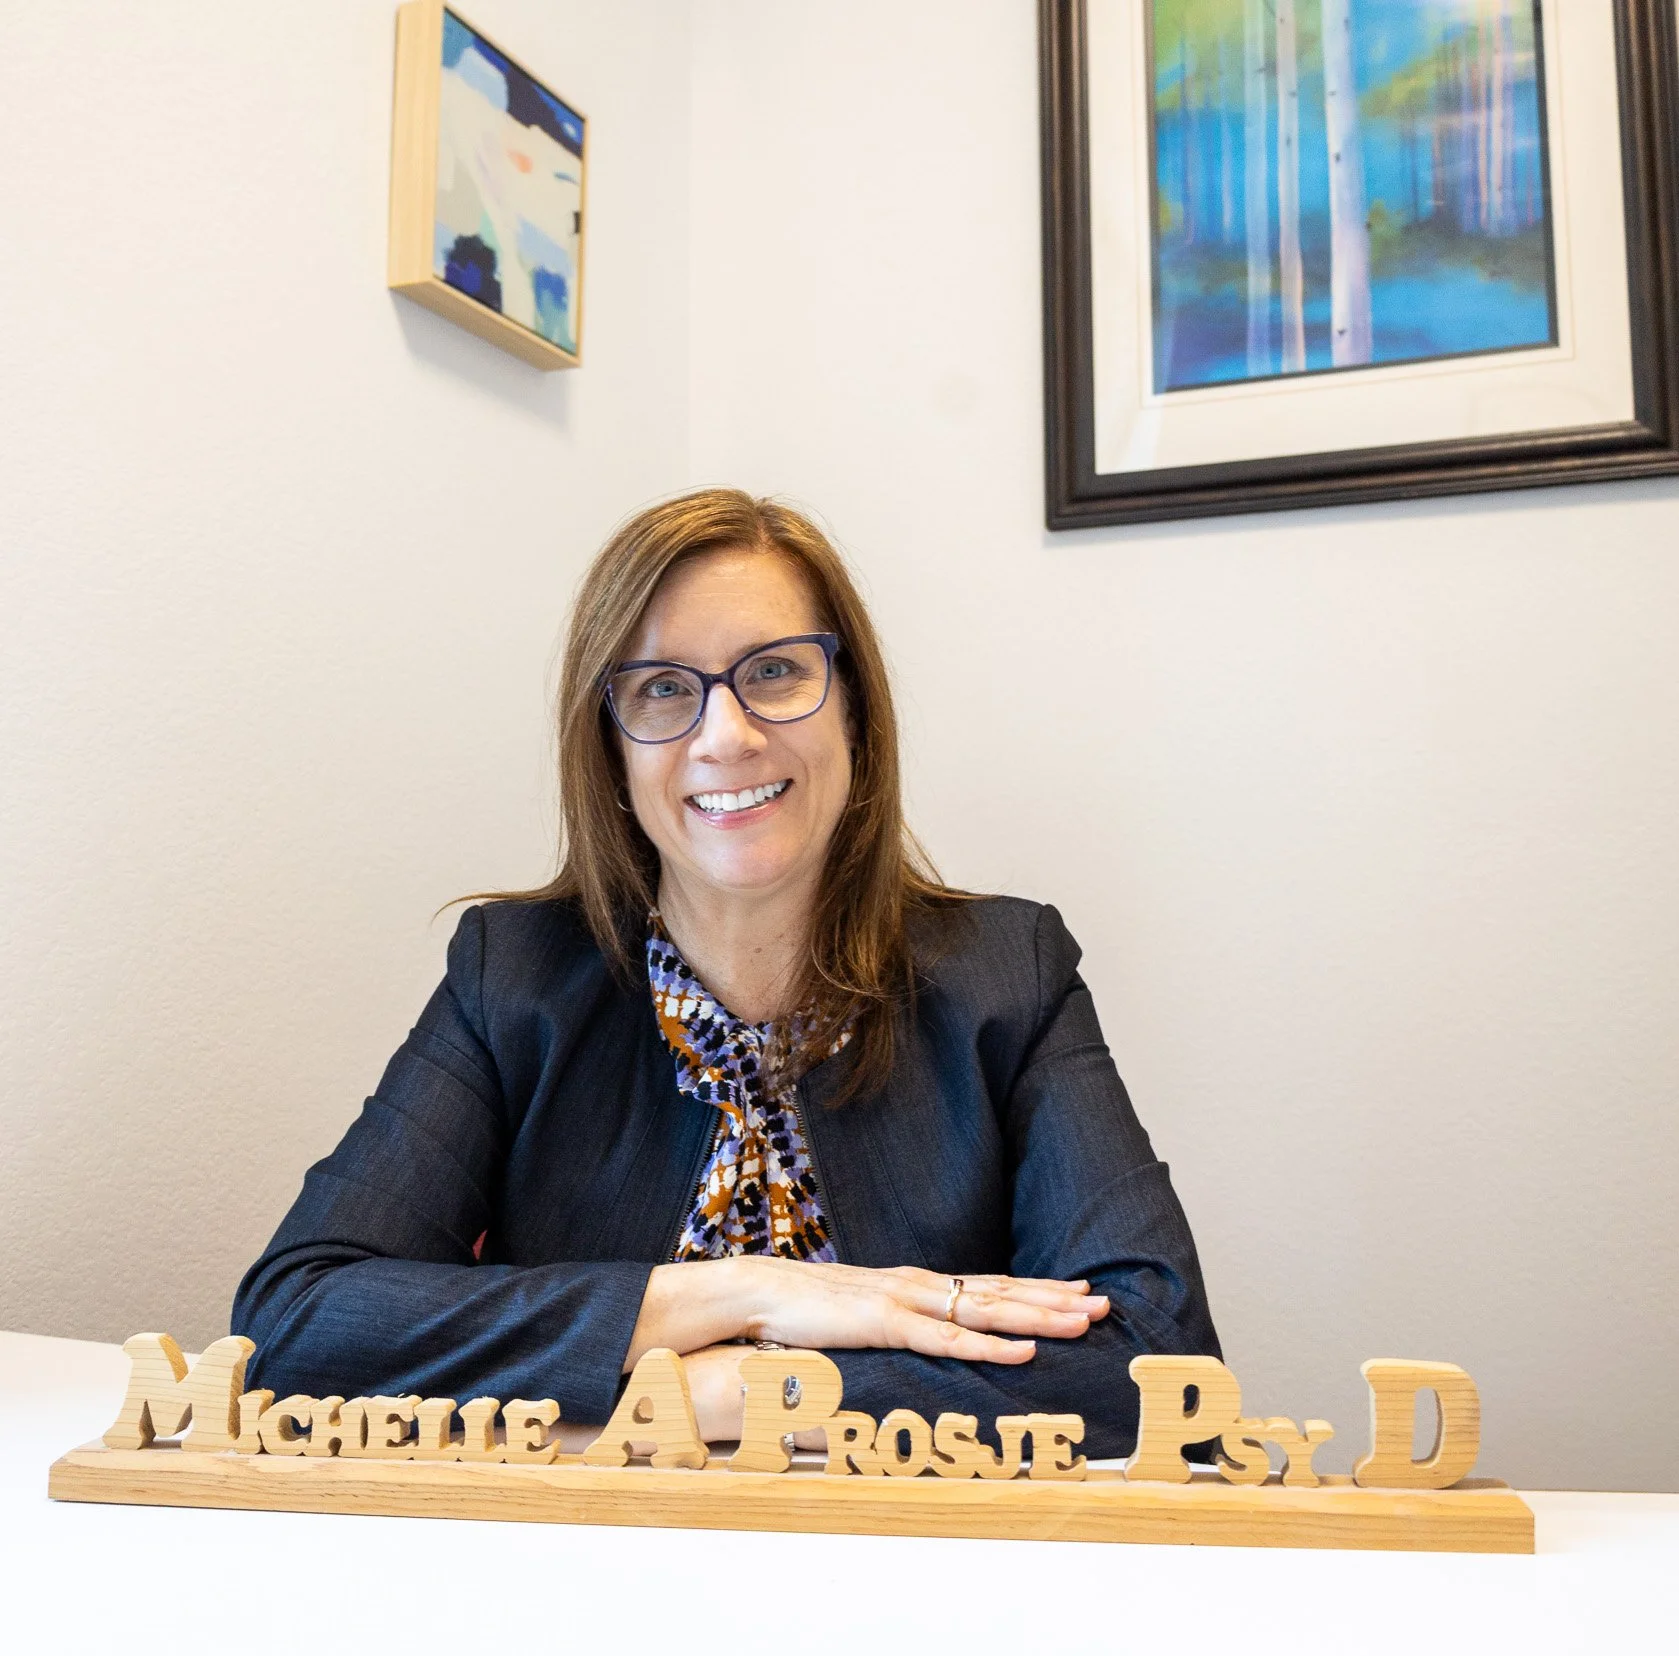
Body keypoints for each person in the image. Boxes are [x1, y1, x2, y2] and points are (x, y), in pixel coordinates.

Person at [232, 490, 1219, 1457]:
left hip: (911, 1568)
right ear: (609, 750)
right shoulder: (512, 977)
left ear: (856, 720)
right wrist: (754, 1293)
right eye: (662, 687)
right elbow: (295, 1321)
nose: (726, 734)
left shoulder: (1009, 972)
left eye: (776, 671)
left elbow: (1163, 1362)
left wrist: (750, 1388)